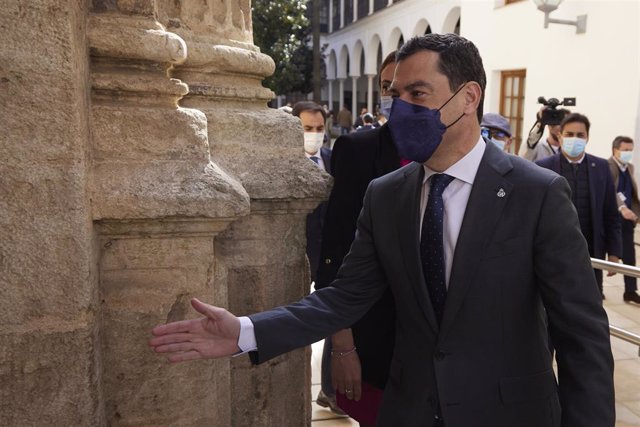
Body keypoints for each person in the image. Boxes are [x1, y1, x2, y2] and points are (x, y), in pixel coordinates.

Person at [150, 34, 615, 427]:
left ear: (468, 98)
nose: (400, 108)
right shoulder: (386, 194)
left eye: (418, 94)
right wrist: (246, 332)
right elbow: (343, 296)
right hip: (408, 410)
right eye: (394, 95)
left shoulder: (537, 193)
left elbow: (582, 334)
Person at [314, 50, 400, 425]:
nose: (395, 98)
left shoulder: (452, 156)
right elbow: (335, 252)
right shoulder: (359, 150)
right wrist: (342, 346)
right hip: (376, 335)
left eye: (413, 90)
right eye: (387, 88)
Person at [536, 113, 621, 298]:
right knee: (553, 305)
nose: (575, 139)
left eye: (580, 135)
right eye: (569, 134)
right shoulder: (543, 167)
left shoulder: (601, 167)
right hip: (553, 251)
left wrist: (614, 252)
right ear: (560, 136)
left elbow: (610, 213)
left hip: (590, 251)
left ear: (587, 137)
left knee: (591, 304)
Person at [292, 101, 332, 284]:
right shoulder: (287, 164)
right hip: (298, 253)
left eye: (319, 128)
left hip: (330, 256)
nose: (315, 134)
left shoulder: (334, 158)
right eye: (308, 128)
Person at [608, 136, 640, 304]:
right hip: (611, 216)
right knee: (600, 252)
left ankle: (630, 290)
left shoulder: (630, 168)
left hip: (627, 220)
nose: (628, 153)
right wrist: (622, 208)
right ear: (615, 150)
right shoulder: (608, 166)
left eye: (630, 150)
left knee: (629, 255)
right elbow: (611, 190)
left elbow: (631, 194)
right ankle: (597, 290)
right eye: (625, 150)